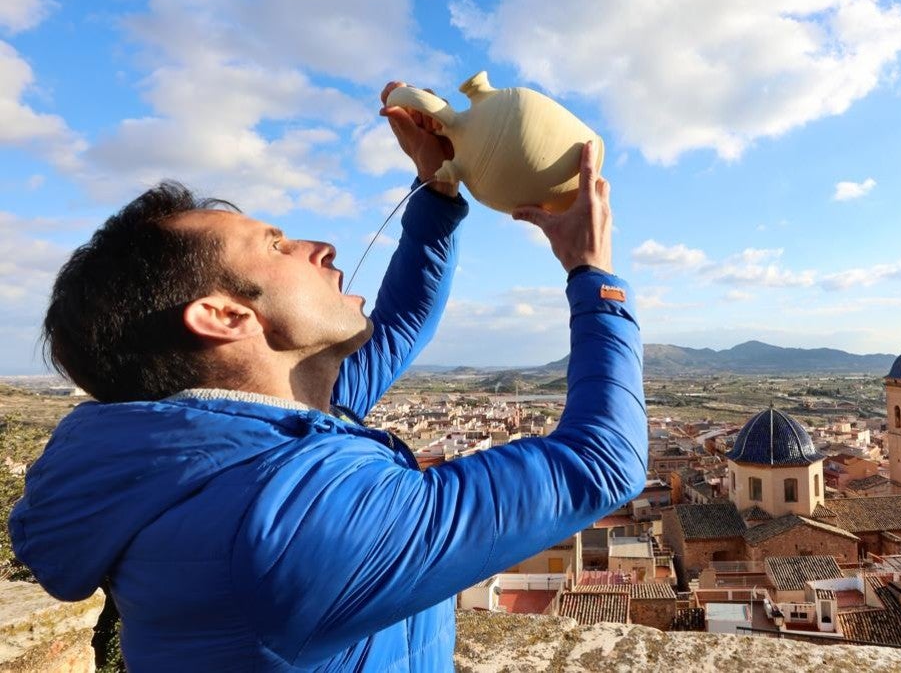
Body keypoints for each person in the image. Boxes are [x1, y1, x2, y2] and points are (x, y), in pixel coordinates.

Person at [8, 81, 647, 671]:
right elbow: (600, 463)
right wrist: (593, 274)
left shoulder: (251, 438)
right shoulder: (286, 519)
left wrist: (437, 188)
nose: (322, 248)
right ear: (226, 315)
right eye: (279, 245)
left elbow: (398, 327)